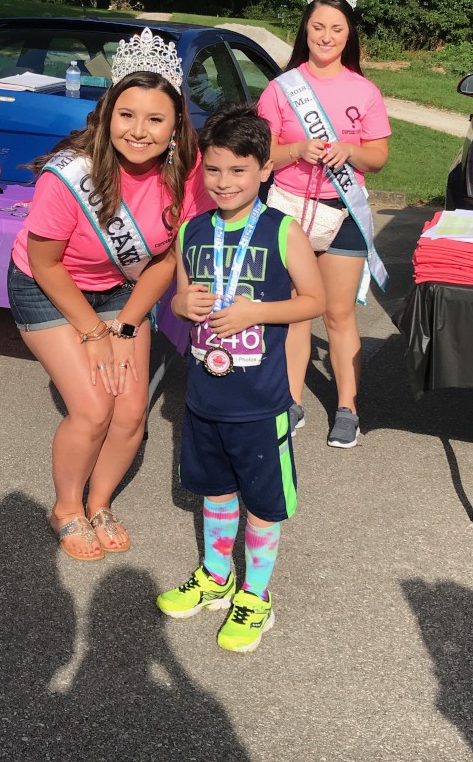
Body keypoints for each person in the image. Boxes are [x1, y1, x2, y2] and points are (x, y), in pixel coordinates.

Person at [7, 28, 209, 562]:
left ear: (175, 126)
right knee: (94, 408)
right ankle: (65, 508)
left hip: (122, 287)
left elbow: (168, 258)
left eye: (155, 119)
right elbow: (46, 264)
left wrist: (125, 325)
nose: (138, 131)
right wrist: (95, 334)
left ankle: (99, 504)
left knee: (130, 411)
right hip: (48, 287)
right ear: (107, 114)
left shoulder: (186, 175)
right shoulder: (69, 174)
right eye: (127, 115)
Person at [157, 103, 325, 653]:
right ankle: (215, 576)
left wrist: (257, 312)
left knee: (263, 504)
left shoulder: (283, 231)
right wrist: (180, 304)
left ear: (264, 169)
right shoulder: (192, 230)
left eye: (238, 170)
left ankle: (256, 595)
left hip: (259, 401)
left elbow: (315, 300)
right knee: (215, 491)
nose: (223, 181)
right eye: (213, 169)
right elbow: (179, 299)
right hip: (205, 395)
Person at [257, 0, 391, 449]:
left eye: (336, 28)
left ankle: (347, 407)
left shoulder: (364, 90)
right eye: (318, 26)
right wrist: (296, 150)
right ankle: (290, 401)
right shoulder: (281, 88)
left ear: (349, 33)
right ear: (305, 29)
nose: (326, 36)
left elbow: (378, 156)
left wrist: (349, 150)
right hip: (290, 209)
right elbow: (261, 157)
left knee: (337, 314)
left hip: (342, 211)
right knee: (296, 311)